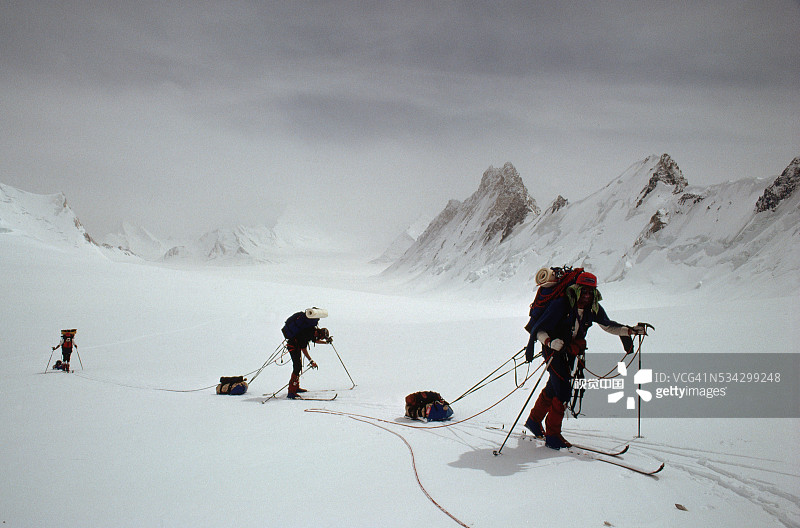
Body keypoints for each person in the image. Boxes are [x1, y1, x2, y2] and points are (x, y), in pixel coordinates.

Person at [523, 272, 647, 449]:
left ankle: (533, 421)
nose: (587, 296)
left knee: (554, 386)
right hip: (553, 352)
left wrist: (630, 331)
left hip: (569, 351)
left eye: (590, 292)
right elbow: (538, 329)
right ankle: (552, 435)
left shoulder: (593, 307)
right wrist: (550, 342)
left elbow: (607, 325)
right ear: (576, 290)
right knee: (563, 390)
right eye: (584, 291)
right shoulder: (560, 305)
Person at [282, 309, 331, 399]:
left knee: (298, 366)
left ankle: (296, 387)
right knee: (297, 366)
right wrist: (311, 361)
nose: (319, 338)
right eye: (321, 337)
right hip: (293, 346)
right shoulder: (308, 333)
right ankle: (291, 392)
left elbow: (314, 340)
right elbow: (303, 349)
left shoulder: (312, 330)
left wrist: (326, 342)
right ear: (319, 334)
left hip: (295, 345)